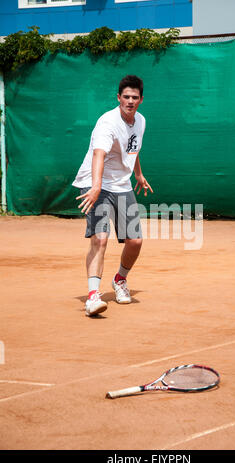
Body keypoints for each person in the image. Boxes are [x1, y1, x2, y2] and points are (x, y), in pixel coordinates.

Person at [72, 75, 153, 317]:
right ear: (118, 98)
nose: (130, 101)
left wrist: (138, 174)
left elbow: (133, 147)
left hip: (121, 184)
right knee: (101, 238)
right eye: (125, 97)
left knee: (135, 241)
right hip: (94, 182)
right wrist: (96, 186)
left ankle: (119, 280)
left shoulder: (140, 121)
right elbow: (98, 155)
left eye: (134, 97)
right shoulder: (106, 123)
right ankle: (92, 297)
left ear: (140, 100)